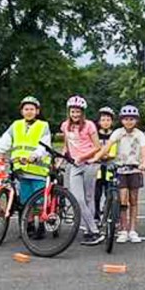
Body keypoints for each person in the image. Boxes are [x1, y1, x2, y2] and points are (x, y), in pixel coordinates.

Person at [0, 96, 53, 207]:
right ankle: (27, 218)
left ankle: (39, 218)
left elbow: (44, 147)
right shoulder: (16, 125)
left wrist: (35, 156)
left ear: (37, 111)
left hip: (38, 171)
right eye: (26, 109)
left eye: (32, 109)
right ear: (22, 111)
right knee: (25, 203)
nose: (29, 112)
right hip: (21, 171)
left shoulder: (43, 126)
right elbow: (4, 141)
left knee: (40, 203)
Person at [60, 96, 104, 246]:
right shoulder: (65, 126)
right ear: (69, 112)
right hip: (75, 165)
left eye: (78, 112)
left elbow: (97, 147)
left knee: (88, 198)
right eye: (73, 112)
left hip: (89, 164)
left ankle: (89, 230)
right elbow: (66, 147)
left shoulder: (89, 125)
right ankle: (94, 230)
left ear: (83, 112)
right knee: (78, 199)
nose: (75, 114)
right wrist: (60, 161)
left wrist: (83, 157)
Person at [110, 104, 145, 243]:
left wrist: (144, 163)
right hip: (121, 169)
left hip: (135, 169)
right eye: (126, 119)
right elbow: (108, 146)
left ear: (136, 120)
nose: (129, 121)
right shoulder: (118, 133)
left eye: (132, 119)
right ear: (122, 120)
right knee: (123, 200)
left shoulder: (139, 134)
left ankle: (132, 230)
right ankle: (123, 229)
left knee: (134, 200)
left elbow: (144, 151)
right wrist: (97, 157)